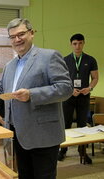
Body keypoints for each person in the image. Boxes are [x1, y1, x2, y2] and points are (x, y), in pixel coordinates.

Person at [0, 18, 73, 179]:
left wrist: (32, 94)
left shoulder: (49, 56)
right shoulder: (10, 65)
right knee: (25, 175)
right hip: (17, 133)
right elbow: (1, 89)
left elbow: (66, 88)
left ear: (31, 33)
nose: (17, 39)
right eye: (12, 37)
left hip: (43, 134)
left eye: (21, 34)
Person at [58, 33, 99, 163]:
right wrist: (70, 90)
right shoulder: (64, 60)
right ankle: (63, 150)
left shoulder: (90, 60)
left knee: (82, 125)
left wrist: (90, 88)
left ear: (83, 43)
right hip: (68, 96)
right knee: (66, 123)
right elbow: (60, 79)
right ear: (71, 44)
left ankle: (83, 152)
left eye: (80, 43)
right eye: (75, 43)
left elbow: (95, 78)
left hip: (84, 96)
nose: (77, 46)